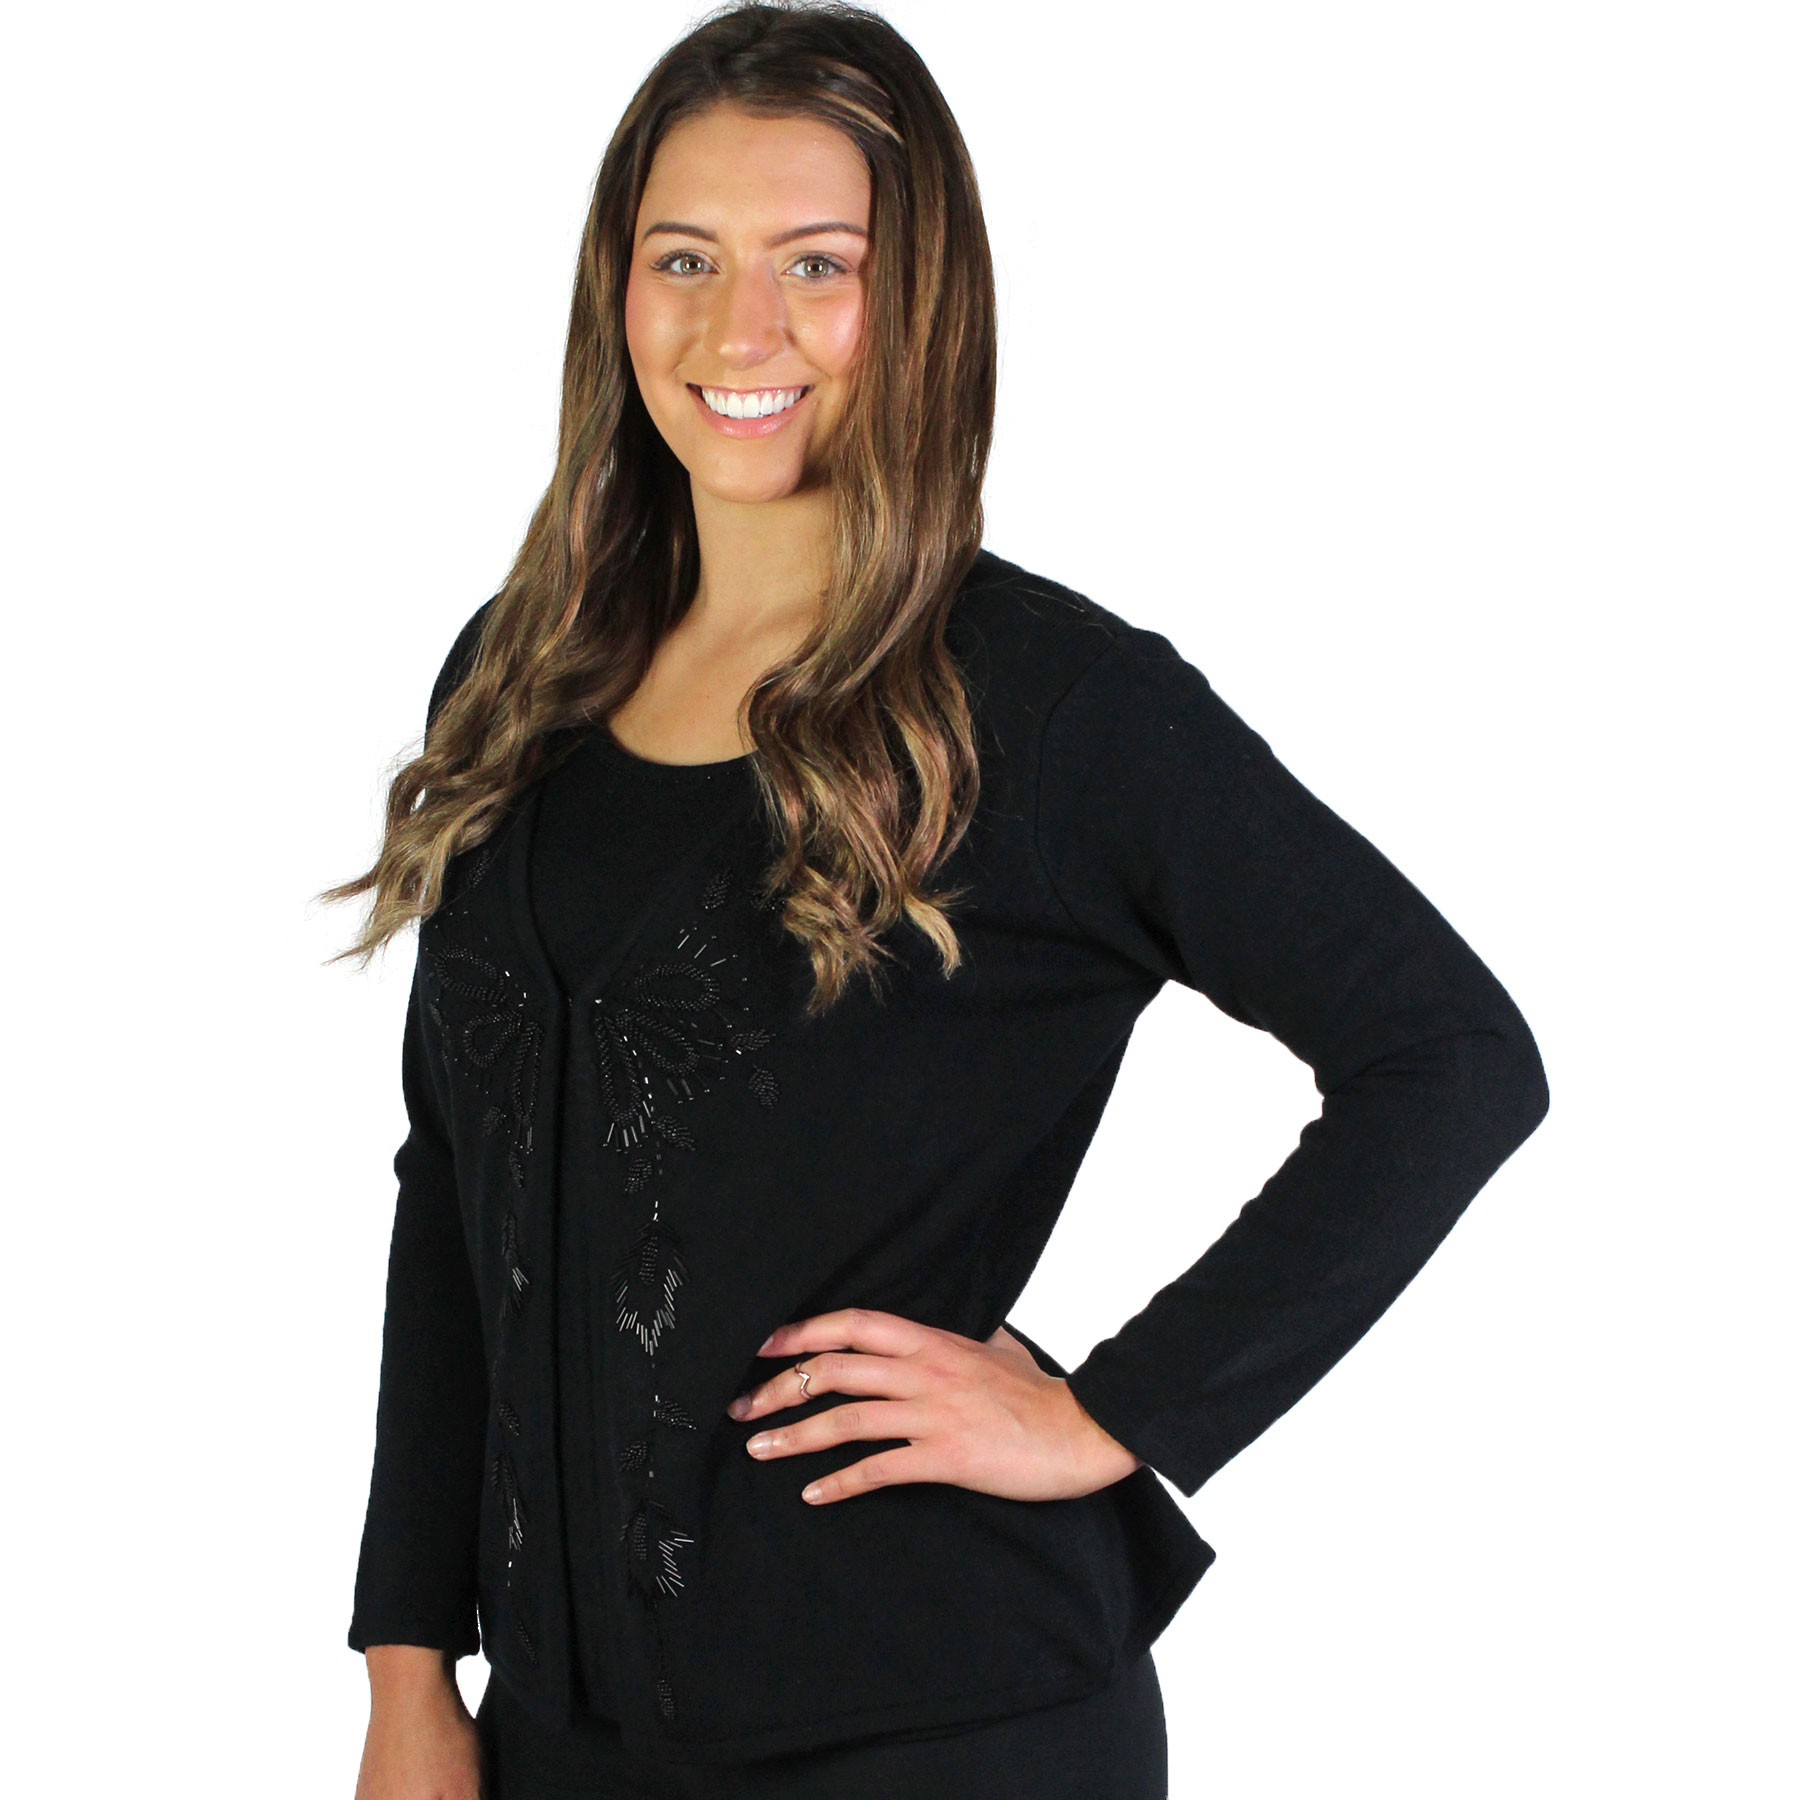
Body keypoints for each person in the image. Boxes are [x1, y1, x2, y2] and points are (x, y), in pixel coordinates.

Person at [324, 4, 1550, 1796]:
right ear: (617, 290)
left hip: (948, 1728)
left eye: (818, 264)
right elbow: (456, 1188)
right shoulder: (520, 678)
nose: (740, 328)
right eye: (686, 257)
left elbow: (1449, 1057)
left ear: (921, 305)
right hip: (557, 1743)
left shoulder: (1049, 709)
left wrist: (1116, 1409)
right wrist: (408, 1669)